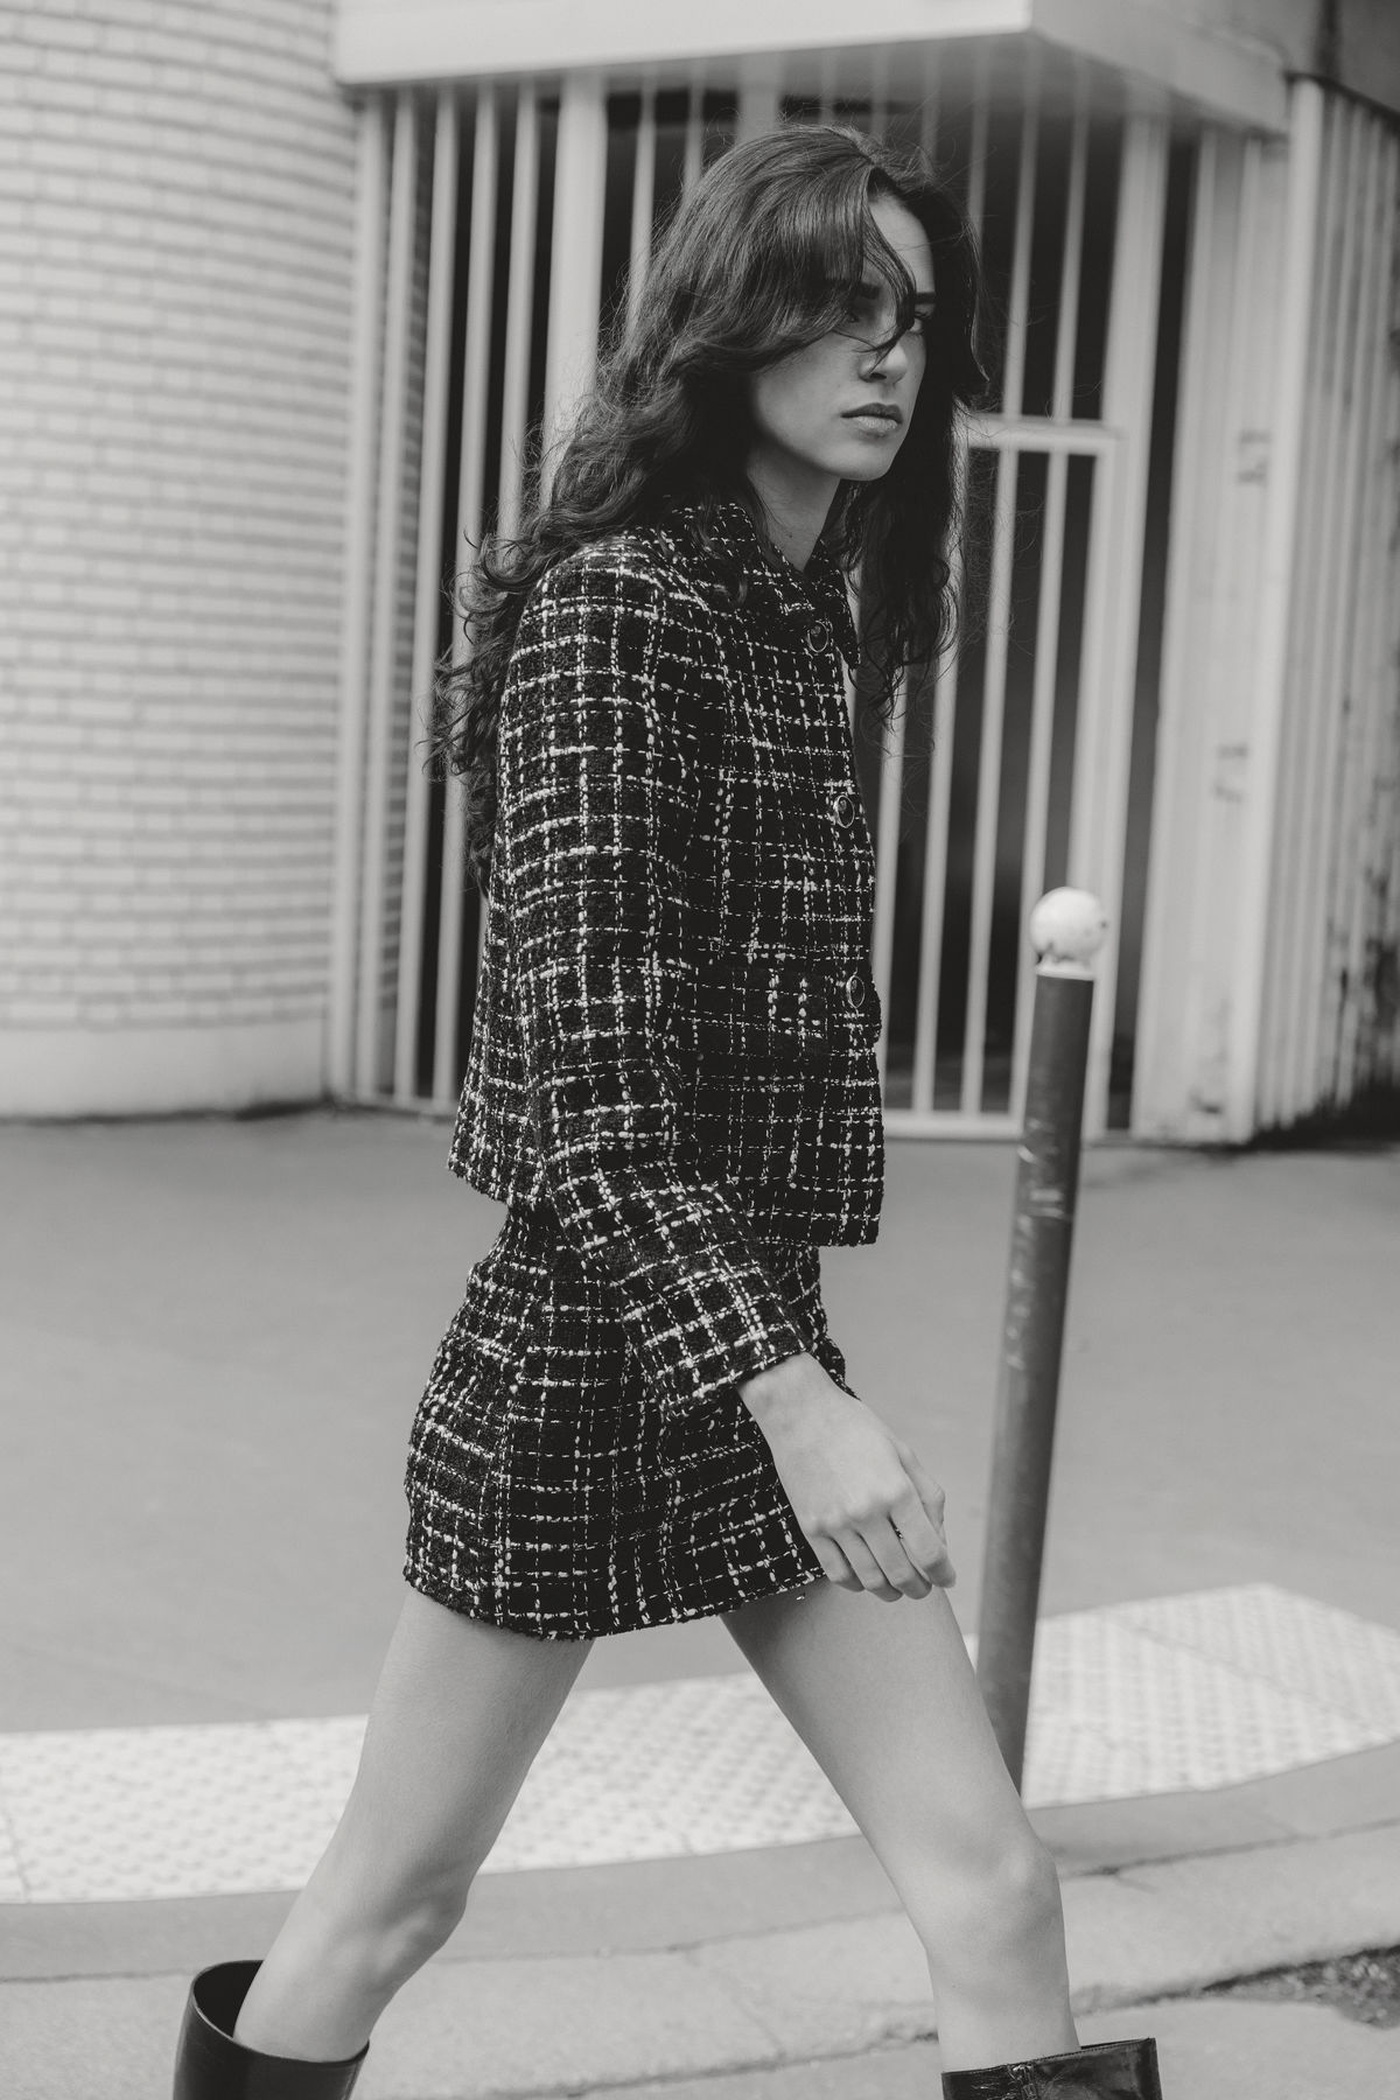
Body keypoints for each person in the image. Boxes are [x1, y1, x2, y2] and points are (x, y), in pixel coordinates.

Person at [170, 123, 1164, 2100]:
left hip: (749, 1344)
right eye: (839, 307)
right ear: (731, 325)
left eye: (914, 316)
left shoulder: (810, 620)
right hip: (586, 1357)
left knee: (993, 1892)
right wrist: (800, 1404)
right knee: (392, 1900)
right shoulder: (622, 613)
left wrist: (786, 1381)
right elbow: (598, 1112)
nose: (889, 354)